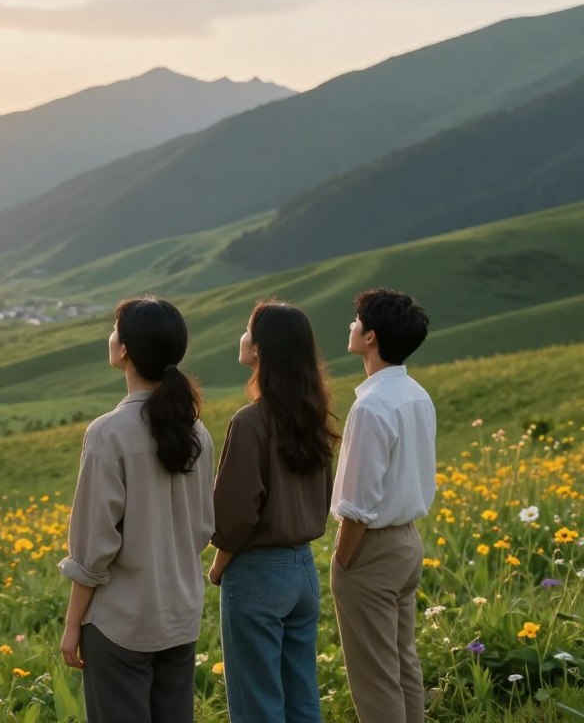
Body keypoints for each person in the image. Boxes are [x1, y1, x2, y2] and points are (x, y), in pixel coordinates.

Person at [58, 296, 216, 723]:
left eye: (115, 330)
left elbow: (92, 550)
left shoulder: (108, 434)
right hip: (179, 617)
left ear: (124, 349)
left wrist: (73, 624)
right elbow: (203, 529)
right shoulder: (197, 430)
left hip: (120, 624)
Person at [207, 301, 338, 722]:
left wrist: (217, 566)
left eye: (248, 330)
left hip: (256, 572)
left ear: (261, 349)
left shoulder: (250, 422)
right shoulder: (314, 418)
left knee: (256, 704)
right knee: (302, 697)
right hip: (303, 570)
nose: (242, 337)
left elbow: (236, 515)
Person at [330, 289, 435, 722]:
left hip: (370, 550)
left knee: (374, 678)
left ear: (370, 337)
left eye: (355, 321)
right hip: (408, 541)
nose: (350, 327)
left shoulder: (370, 407)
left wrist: (342, 560)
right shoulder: (416, 394)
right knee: (402, 662)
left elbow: (357, 505)